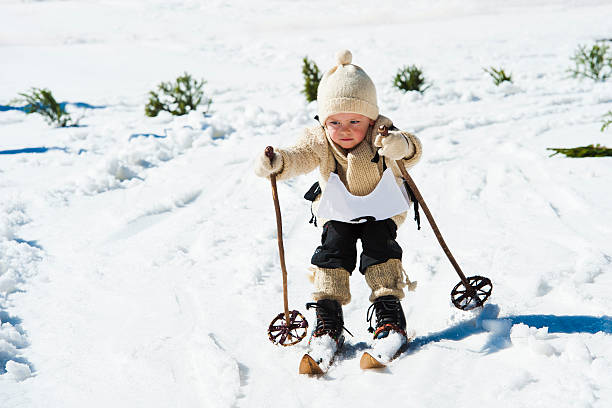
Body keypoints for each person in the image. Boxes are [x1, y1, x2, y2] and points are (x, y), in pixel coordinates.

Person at [255, 50, 422, 362]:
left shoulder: (383, 133)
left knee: (380, 253)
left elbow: (411, 149)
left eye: (354, 121)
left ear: (371, 118)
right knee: (332, 254)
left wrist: (401, 146)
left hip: (380, 209)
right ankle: (328, 320)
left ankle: (390, 319)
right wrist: (278, 162)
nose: (344, 129)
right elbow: (300, 155)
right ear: (324, 120)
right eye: (335, 122)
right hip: (339, 211)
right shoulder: (319, 139)